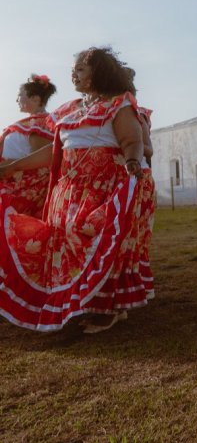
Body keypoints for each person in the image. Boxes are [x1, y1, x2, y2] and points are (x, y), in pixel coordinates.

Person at [0, 47, 155, 333]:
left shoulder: (119, 104)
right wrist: (13, 167)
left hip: (104, 186)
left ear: (100, 73)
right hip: (69, 190)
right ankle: (86, 303)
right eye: (74, 69)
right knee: (67, 245)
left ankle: (109, 308)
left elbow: (131, 139)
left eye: (81, 69)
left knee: (95, 238)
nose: (73, 73)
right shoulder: (71, 110)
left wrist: (133, 160)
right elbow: (54, 151)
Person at [0, 75, 57, 216]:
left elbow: (40, 161)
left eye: (20, 96)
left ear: (35, 99)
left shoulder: (41, 123)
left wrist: (10, 165)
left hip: (19, 184)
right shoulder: (31, 122)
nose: (17, 100)